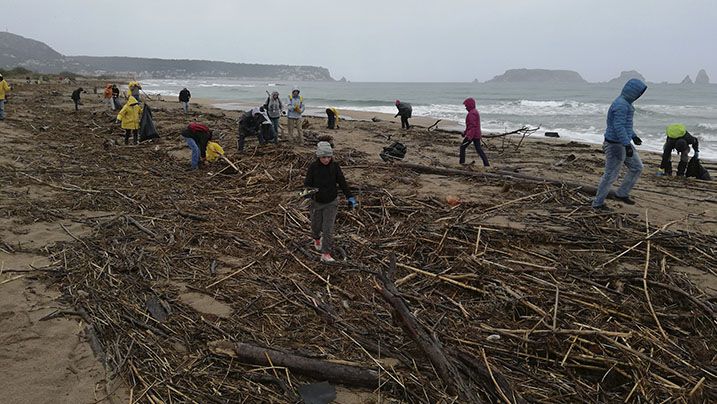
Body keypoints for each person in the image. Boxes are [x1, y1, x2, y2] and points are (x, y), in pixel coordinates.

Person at [592, 79, 647, 209]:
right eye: (639, 93)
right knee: (610, 175)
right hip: (615, 145)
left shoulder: (626, 104)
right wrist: (627, 144)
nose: (640, 96)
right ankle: (597, 203)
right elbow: (618, 126)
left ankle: (621, 194)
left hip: (623, 142)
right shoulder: (621, 105)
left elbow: (625, 125)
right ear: (632, 92)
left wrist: (634, 136)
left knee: (637, 167)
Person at [303, 141, 357, 263]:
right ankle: (316, 239)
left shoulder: (335, 166)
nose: (326, 159)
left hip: (331, 202)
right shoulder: (313, 167)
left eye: (329, 157)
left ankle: (326, 253)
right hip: (316, 202)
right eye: (323, 157)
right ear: (319, 156)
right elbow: (307, 184)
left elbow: (342, 182)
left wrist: (350, 197)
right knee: (316, 227)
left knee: (328, 229)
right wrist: (307, 195)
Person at [459, 98, 489, 166]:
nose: (465, 107)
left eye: (466, 106)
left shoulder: (472, 113)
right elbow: (469, 126)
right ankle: (486, 164)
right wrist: (465, 132)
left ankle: (461, 163)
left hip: (472, 135)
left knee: (462, 147)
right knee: (479, 149)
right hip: (476, 134)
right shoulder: (474, 112)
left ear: (470, 105)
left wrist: (469, 136)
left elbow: (472, 126)